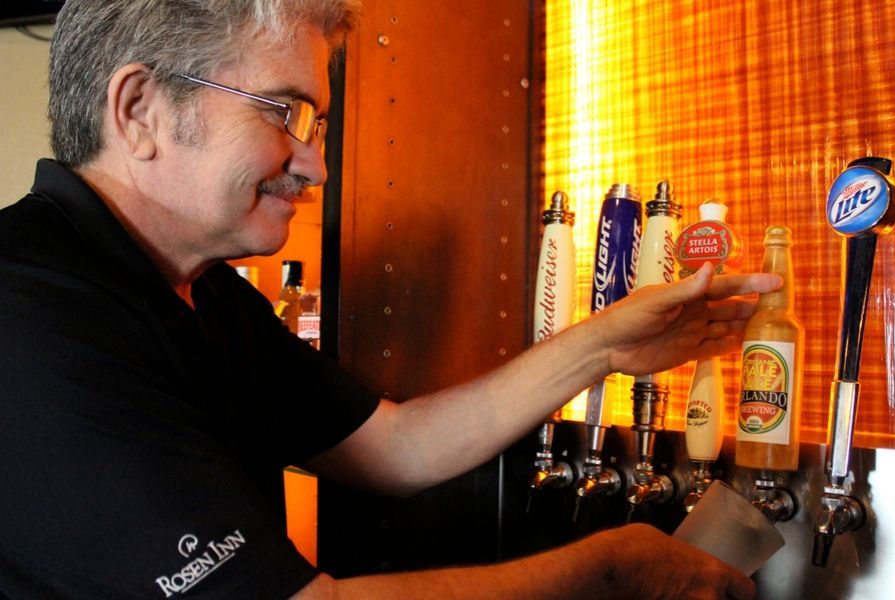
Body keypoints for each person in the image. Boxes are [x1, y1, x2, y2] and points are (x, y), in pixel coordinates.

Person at [0, 1, 779, 598]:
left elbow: (395, 447)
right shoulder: (31, 310)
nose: (315, 167)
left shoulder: (198, 292)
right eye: (282, 112)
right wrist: (614, 570)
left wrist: (602, 346)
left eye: (319, 124)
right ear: (141, 110)